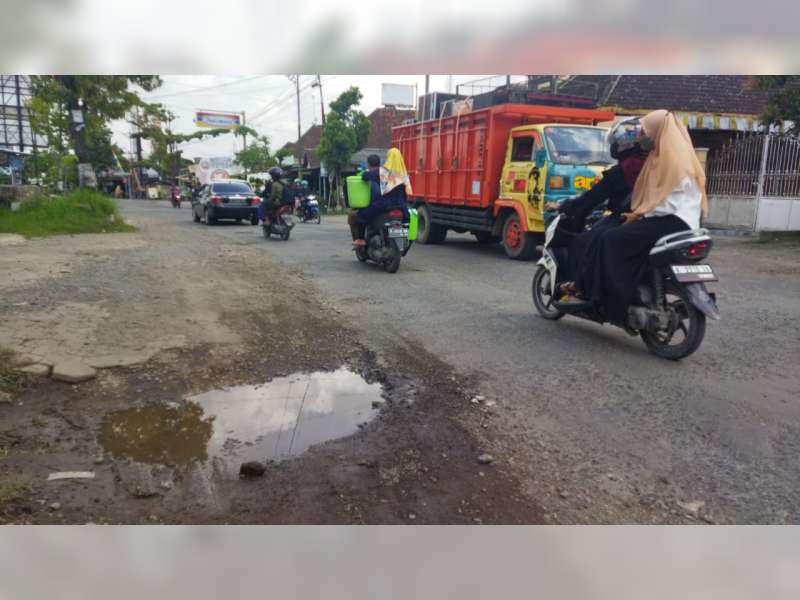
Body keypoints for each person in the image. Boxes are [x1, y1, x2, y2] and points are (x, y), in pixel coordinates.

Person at [573, 109, 707, 324]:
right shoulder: (671, 156)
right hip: (681, 221)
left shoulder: (669, 160)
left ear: (658, 131)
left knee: (610, 239)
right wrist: (639, 215)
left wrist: (639, 215)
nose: (643, 136)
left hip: (670, 220)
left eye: (646, 131)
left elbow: (665, 201)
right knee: (618, 237)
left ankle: (615, 304)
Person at [548, 116, 651, 297]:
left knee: (582, 242)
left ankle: (581, 288)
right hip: (651, 218)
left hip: (626, 218)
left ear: (621, 145)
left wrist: (564, 206)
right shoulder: (652, 164)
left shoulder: (622, 171)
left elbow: (590, 199)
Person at [349, 149, 412, 246]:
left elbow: (365, 176)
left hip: (385, 205)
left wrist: (366, 171)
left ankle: (361, 239)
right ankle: (403, 240)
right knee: (407, 220)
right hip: (401, 206)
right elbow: (408, 192)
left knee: (361, 215)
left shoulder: (383, 172)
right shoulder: (403, 174)